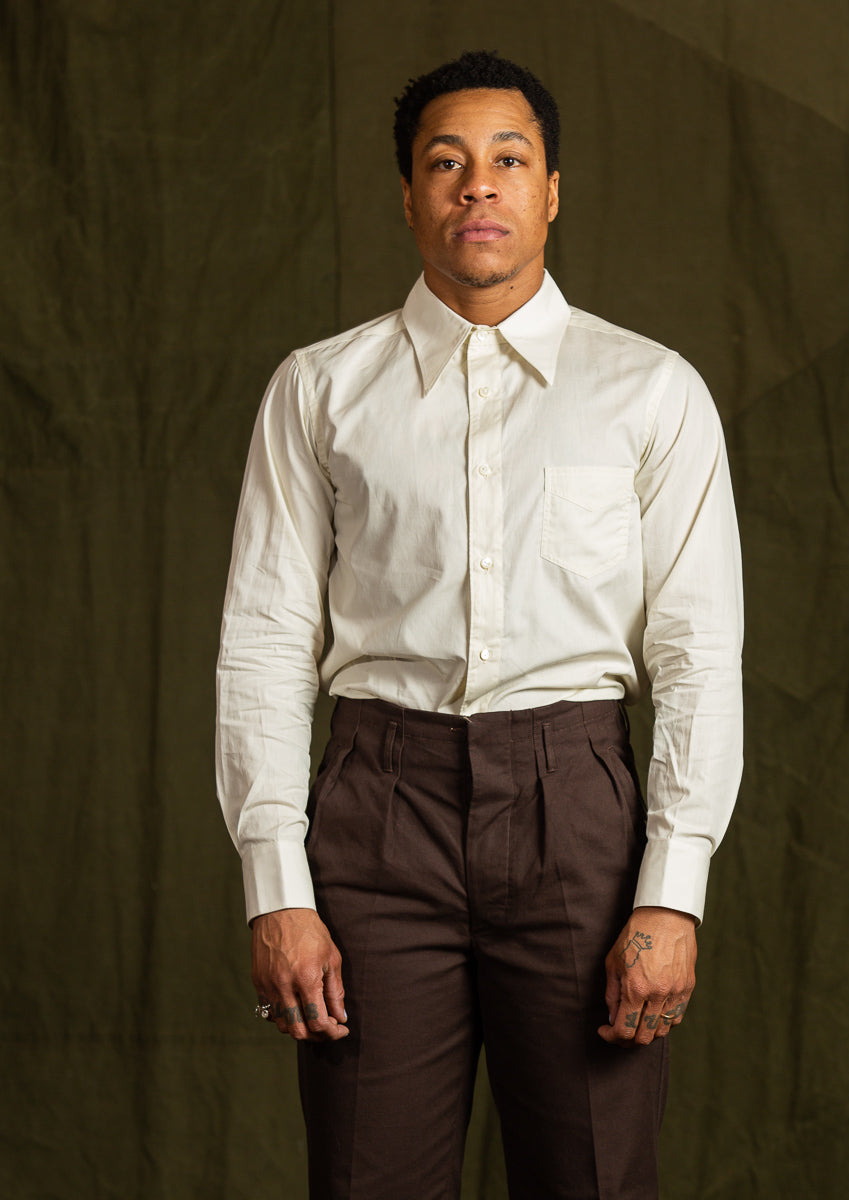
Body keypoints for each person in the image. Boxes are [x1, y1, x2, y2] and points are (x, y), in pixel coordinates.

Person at [216, 49, 743, 1200]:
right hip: (376, 811)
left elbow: (698, 654)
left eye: (509, 159)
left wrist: (671, 889)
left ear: (552, 191)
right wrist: (277, 886)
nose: (478, 186)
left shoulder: (652, 391)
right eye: (445, 163)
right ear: (408, 196)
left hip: (580, 813)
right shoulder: (320, 390)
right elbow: (263, 640)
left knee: (592, 1176)